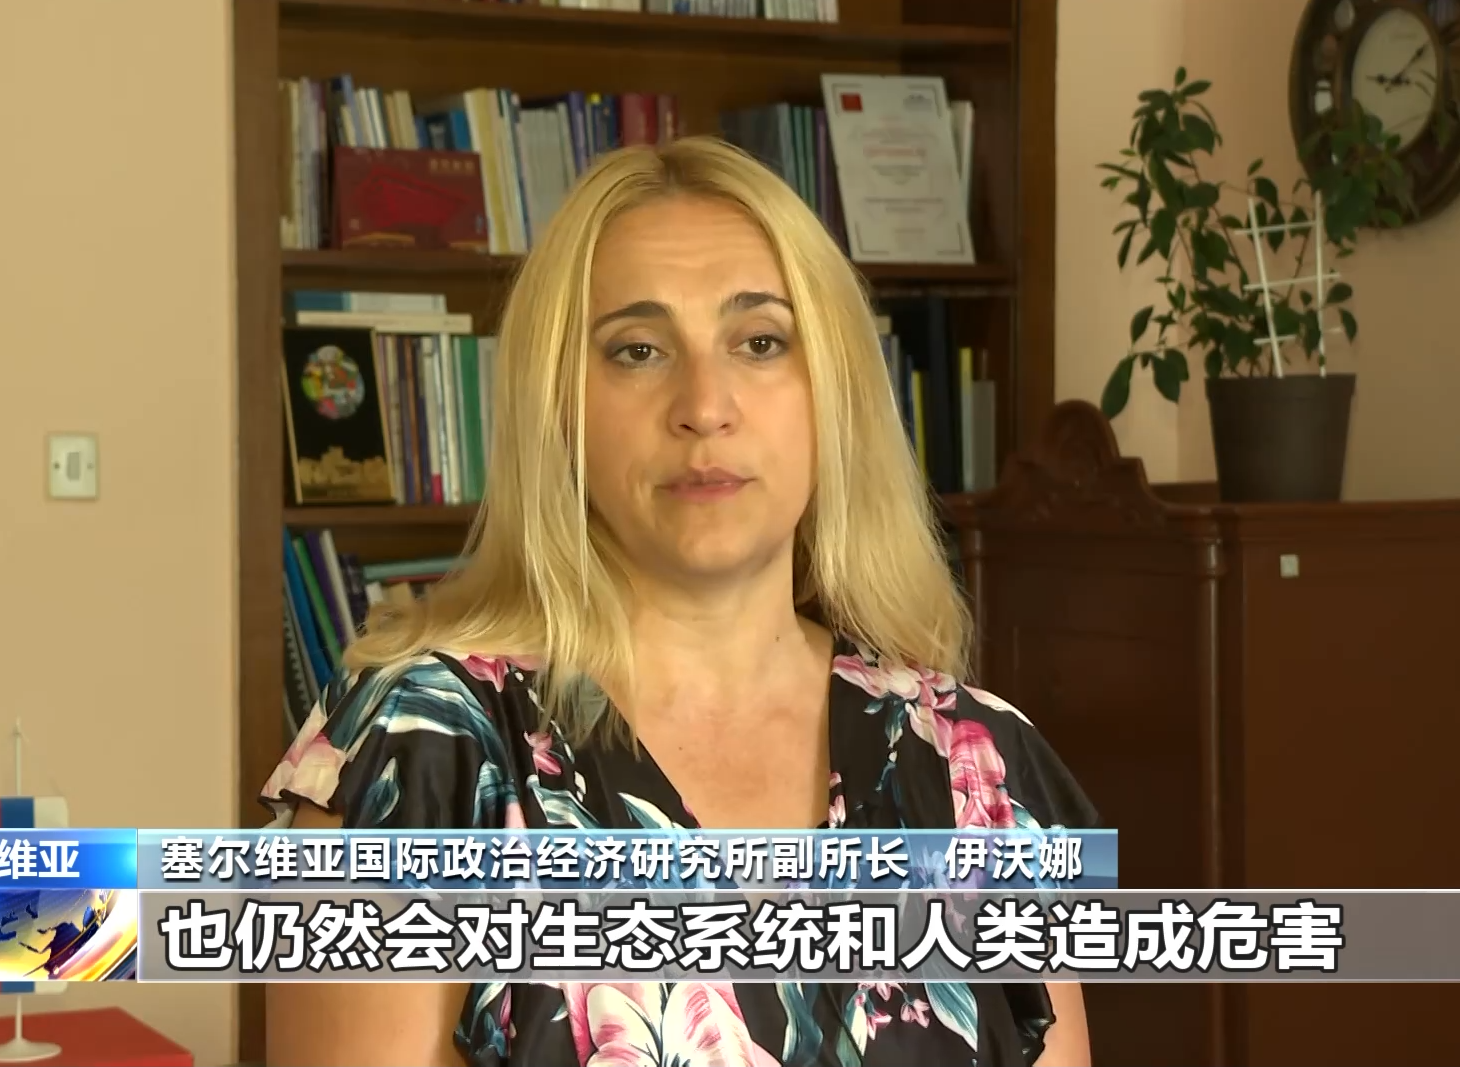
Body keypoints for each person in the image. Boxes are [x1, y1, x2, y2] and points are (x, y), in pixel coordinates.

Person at [260, 134, 1097, 1067]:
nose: (705, 403)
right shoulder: (423, 748)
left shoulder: (981, 763)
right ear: (560, 410)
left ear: (836, 394)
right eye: (639, 350)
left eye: (761, 342)